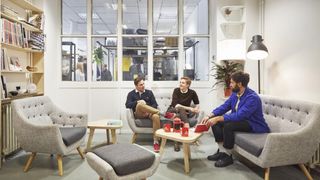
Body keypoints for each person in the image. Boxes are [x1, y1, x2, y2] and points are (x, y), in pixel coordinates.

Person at [201, 71, 270, 167]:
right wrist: (210, 115)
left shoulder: (252, 98)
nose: (230, 85)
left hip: (253, 124)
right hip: (242, 121)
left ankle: (228, 157)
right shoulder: (235, 93)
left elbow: (239, 116)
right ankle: (222, 151)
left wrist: (218, 118)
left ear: (240, 84)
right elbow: (225, 106)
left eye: (232, 82)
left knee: (228, 126)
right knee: (215, 123)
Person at [125, 76, 161, 152]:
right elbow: (127, 105)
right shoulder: (131, 94)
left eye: (143, 84)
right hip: (139, 114)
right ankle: (160, 112)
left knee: (156, 117)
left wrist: (148, 111)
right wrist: (137, 102)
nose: (143, 86)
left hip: (149, 113)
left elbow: (155, 104)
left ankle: (156, 141)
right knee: (140, 104)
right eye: (140, 85)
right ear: (136, 86)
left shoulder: (149, 92)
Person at [167, 76, 200, 151]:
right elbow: (176, 105)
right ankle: (187, 126)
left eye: (183, 83)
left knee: (177, 117)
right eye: (180, 82)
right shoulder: (176, 90)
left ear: (187, 85)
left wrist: (196, 109)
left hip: (182, 113)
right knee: (180, 109)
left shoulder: (192, 92)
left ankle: (176, 142)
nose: (180, 84)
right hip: (172, 110)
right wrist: (190, 108)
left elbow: (197, 103)